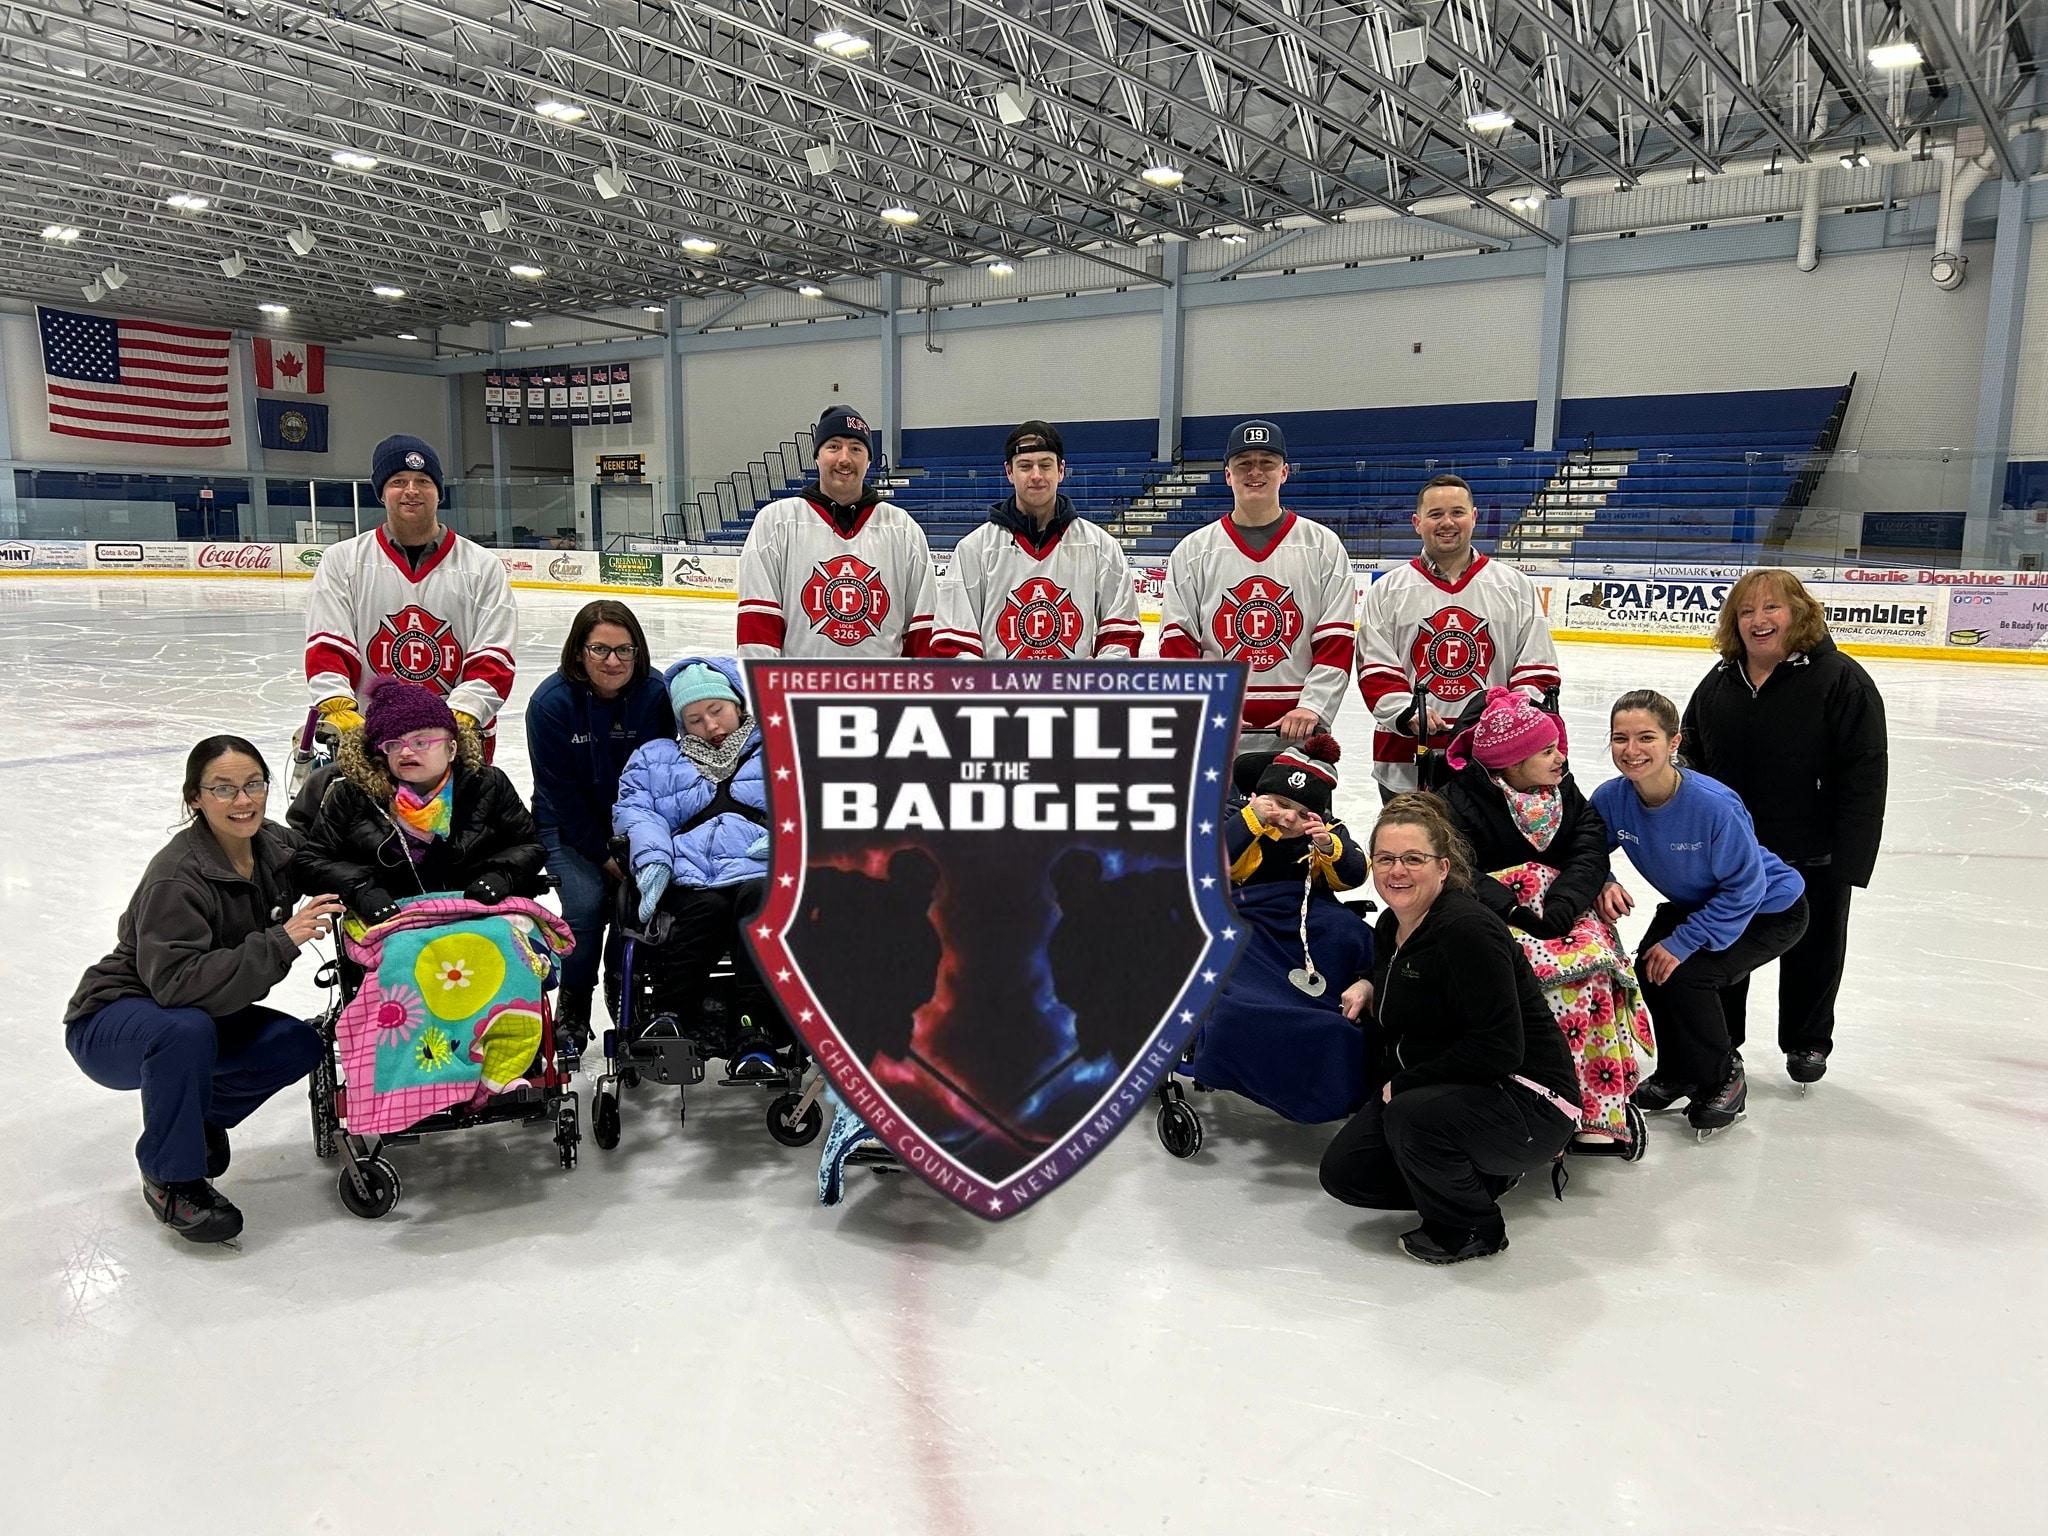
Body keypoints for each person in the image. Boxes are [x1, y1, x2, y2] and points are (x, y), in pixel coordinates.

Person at [65, 738, 348, 1244]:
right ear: (195, 798)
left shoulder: (272, 847)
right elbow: (174, 986)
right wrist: (280, 941)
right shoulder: (177, 876)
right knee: (184, 1028)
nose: (243, 801)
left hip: (197, 1014)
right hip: (115, 1021)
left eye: (253, 785)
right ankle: (171, 1178)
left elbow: (320, 853)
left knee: (298, 1044)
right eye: (223, 789)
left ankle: (193, 1122)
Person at [1318, 794, 1582, 1264]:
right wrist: (1370, 983)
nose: (1397, 871)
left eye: (1413, 859)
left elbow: (1499, 1048)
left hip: (1529, 1098)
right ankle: (1480, 1176)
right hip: (1456, 1085)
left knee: (1411, 1116)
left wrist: (1403, 1083)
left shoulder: (1466, 929)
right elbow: (1414, 978)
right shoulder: (1390, 926)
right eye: (1385, 858)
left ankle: (1472, 1226)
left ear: (1443, 868)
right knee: (1346, 1173)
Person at [1679, 570, 1888, 1086]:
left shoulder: (1842, 680)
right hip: (1734, 852)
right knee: (1724, 946)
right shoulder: (1719, 681)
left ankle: (1807, 1041)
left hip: (1814, 851)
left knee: (1814, 950)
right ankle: (1724, 1041)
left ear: (1798, 613)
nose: (1758, 620)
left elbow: (1865, 774)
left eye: (1771, 608)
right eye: (1746, 612)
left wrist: (1850, 861)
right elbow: (1692, 758)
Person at [1439, 688, 1654, 1155]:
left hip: (1562, 907)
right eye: (1547, 751)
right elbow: (1455, 866)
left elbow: (1589, 846)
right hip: (1496, 913)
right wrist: (1512, 909)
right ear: (1512, 762)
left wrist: (1563, 900)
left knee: (1595, 964)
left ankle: (1599, 1101)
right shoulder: (1456, 801)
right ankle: (1539, 1098)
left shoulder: (1565, 793)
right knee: (1531, 976)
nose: (1561, 757)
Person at [1592, 690, 1808, 1132]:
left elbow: (1748, 886)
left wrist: (1685, 940)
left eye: (1646, 737)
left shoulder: (1713, 805)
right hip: (1700, 903)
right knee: (1649, 969)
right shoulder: (1612, 799)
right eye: (1620, 738)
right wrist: (1604, 881)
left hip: (1769, 908)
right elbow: (1587, 852)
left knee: (1687, 975)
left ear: (1674, 743)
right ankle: (1678, 1070)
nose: (1631, 751)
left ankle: (1722, 1077)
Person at [1186, 736, 1374, 1124]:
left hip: (1309, 915)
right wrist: (1253, 818)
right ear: (1257, 795)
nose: (1289, 818)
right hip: (1246, 918)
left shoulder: (1325, 832)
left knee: (1348, 931)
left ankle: (1367, 995)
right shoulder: (1230, 815)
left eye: (1303, 812)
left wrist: (1329, 845)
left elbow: (1355, 872)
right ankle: (1267, 1023)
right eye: (1281, 805)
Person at [612, 658, 781, 1078]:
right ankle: (671, 1013)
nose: (710, 725)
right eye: (694, 718)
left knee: (757, 904)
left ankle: (753, 1027)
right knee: (703, 911)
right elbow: (636, 812)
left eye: (716, 710)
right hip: (691, 874)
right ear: (681, 724)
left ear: (738, 704)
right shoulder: (655, 758)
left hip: (761, 868)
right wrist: (652, 859)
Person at [304, 434, 518, 754]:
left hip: (457, 739)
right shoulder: (343, 561)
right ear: (381, 493)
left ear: (438, 492)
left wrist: (453, 720)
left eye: (423, 481)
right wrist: (338, 705)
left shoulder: (482, 566)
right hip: (371, 737)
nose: (411, 490)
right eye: (398, 481)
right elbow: (328, 645)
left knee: (452, 808)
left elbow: (493, 657)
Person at [525, 600, 675, 1050]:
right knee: (589, 901)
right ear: (578, 653)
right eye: (600, 650)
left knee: (636, 902)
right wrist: (604, 856)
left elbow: (666, 774)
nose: (613, 661)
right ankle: (574, 1002)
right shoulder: (550, 705)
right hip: (567, 823)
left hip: (638, 819)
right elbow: (561, 794)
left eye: (624, 650)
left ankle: (628, 996)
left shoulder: (655, 694)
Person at [1355, 473, 1561, 797]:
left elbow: (1537, 669)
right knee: (1407, 848)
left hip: (1494, 761)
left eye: (1457, 512)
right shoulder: (1388, 591)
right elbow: (1375, 669)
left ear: (1474, 517)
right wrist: (1406, 712)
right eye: (1435, 514)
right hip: (1404, 762)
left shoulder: (1514, 586)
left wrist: (1505, 719)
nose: (1447, 522)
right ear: (1417, 522)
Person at [1159, 419, 1355, 748]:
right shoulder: (1193, 551)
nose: (1255, 472)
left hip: (1301, 732)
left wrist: (1312, 706)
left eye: (1267, 462)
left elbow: (1336, 639)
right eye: (1244, 463)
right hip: (1216, 730)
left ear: (1284, 472)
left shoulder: (1322, 546)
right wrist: (1211, 707)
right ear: (1227, 475)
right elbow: (1177, 645)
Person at [292, 679, 548, 924]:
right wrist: (360, 887)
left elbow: (529, 846)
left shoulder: (487, 784)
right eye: (393, 744)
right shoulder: (352, 795)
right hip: (392, 920)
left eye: (421, 741)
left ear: (452, 748)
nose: (405, 752)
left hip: (478, 913)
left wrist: (502, 875)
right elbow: (310, 862)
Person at [930, 419, 1143, 659]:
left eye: (1045, 465)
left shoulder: (1100, 547)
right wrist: (989, 692)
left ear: (1061, 470)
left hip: (1073, 697)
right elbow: (954, 643)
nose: (1036, 475)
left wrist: (1092, 682)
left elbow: (1121, 636)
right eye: (1024, 466)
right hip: (999, 696)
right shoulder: (974, 549)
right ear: (1009, 472)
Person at [736, 406, 937, 659]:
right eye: (833, 446)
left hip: (883, 695)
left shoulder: (903, 529)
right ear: (817, 456)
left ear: (868, 460)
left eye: (856, 448)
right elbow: (758, 628)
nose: (844, 458)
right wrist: (766, 694)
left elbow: (922, 629)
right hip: (799, 694)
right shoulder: (776, 522)